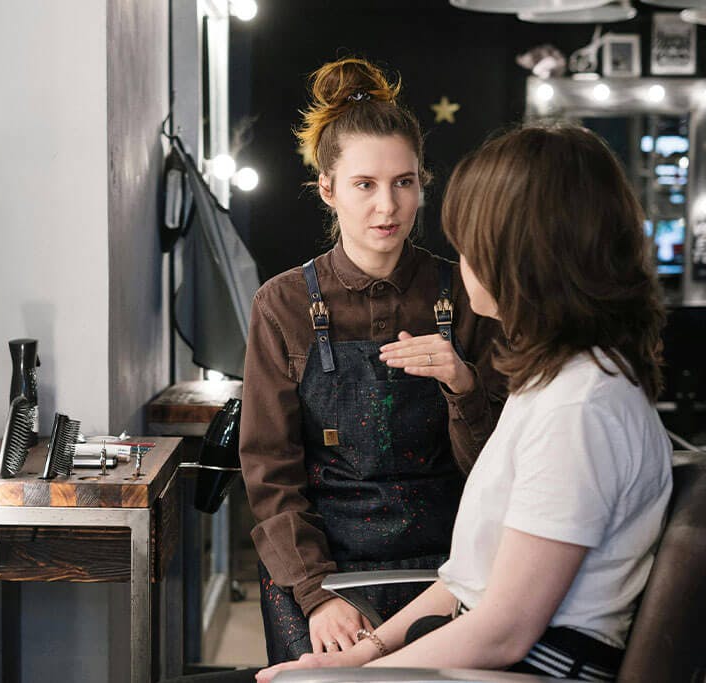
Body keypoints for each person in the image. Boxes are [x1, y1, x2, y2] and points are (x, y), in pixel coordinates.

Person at [254, 124, 673, 682]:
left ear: (520, 255)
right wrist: (365, 653)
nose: (457, 260)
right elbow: (469, 578)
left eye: (470, 241)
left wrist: (357, 678)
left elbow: (503, 629)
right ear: (328, 189)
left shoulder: (579, 410)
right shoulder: (554, 384)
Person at [239, 57, 508, 666]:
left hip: (452, 564)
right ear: (327, 188)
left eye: (405, 182)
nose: (388, 206)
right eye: (365, 184)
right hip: (320, 567)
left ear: (423, 184)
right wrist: (314, 593)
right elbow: (269, 469)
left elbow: (499, 467)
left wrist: (463, 384)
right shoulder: (281, 304)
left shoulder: (468, 294)